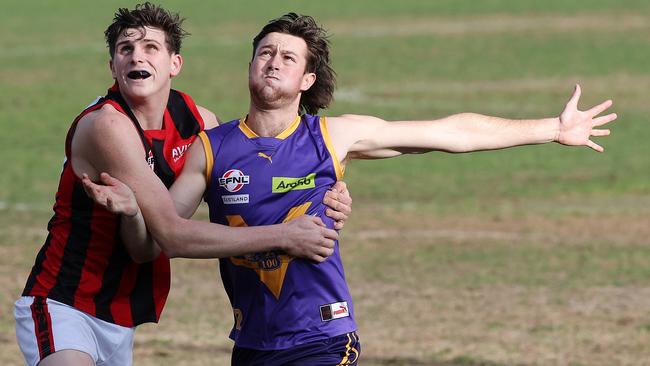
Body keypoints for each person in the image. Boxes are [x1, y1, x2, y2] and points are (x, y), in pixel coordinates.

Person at [83, 12, 616, 366]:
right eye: (265, 53)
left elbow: (449, 132)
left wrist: (550, 128)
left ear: (308, 81)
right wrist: (133, 212)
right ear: (249, 65)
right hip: (250, 345)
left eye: (288, 57)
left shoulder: (332, 137)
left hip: (323, 339)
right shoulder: (211, 146)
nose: (273, 62)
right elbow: (158, 242)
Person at [14, 5, 352, 366]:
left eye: (150, 48)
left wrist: (326, 193)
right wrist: (286, 235)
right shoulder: (106, 126)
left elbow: (250, 175)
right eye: (125, 49)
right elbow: (171, 236)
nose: (135, 57)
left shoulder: (197, 122)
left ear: (175, 64)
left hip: (119, 311)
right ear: (112, 66)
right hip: (63, 299)